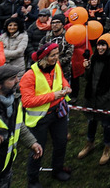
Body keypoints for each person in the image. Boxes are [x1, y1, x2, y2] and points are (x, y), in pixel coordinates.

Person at [21, 43, 73, 186]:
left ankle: (57, 170)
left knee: (61, 142)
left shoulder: (56, 65)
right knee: (38, 150)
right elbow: (27, 101)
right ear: (44, 58)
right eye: (53, 55)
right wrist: (53, 96)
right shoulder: (29, 76)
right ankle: (33, 180)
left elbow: (61, 78)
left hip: (58, 113)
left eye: (57, 54)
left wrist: (66, 85)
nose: (57, 58)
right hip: (40, 118)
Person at [77, 33, 110, 166]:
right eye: (99, 45)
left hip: (105, 96)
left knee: (106, 122)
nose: (101, 48)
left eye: (103, 45)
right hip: (92, 95)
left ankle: (108, 147)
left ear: (107, 46)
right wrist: (87, 68)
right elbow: (87, 78)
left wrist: (109, 95)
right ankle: (89, 143)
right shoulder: (93, 57)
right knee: (92, 120)